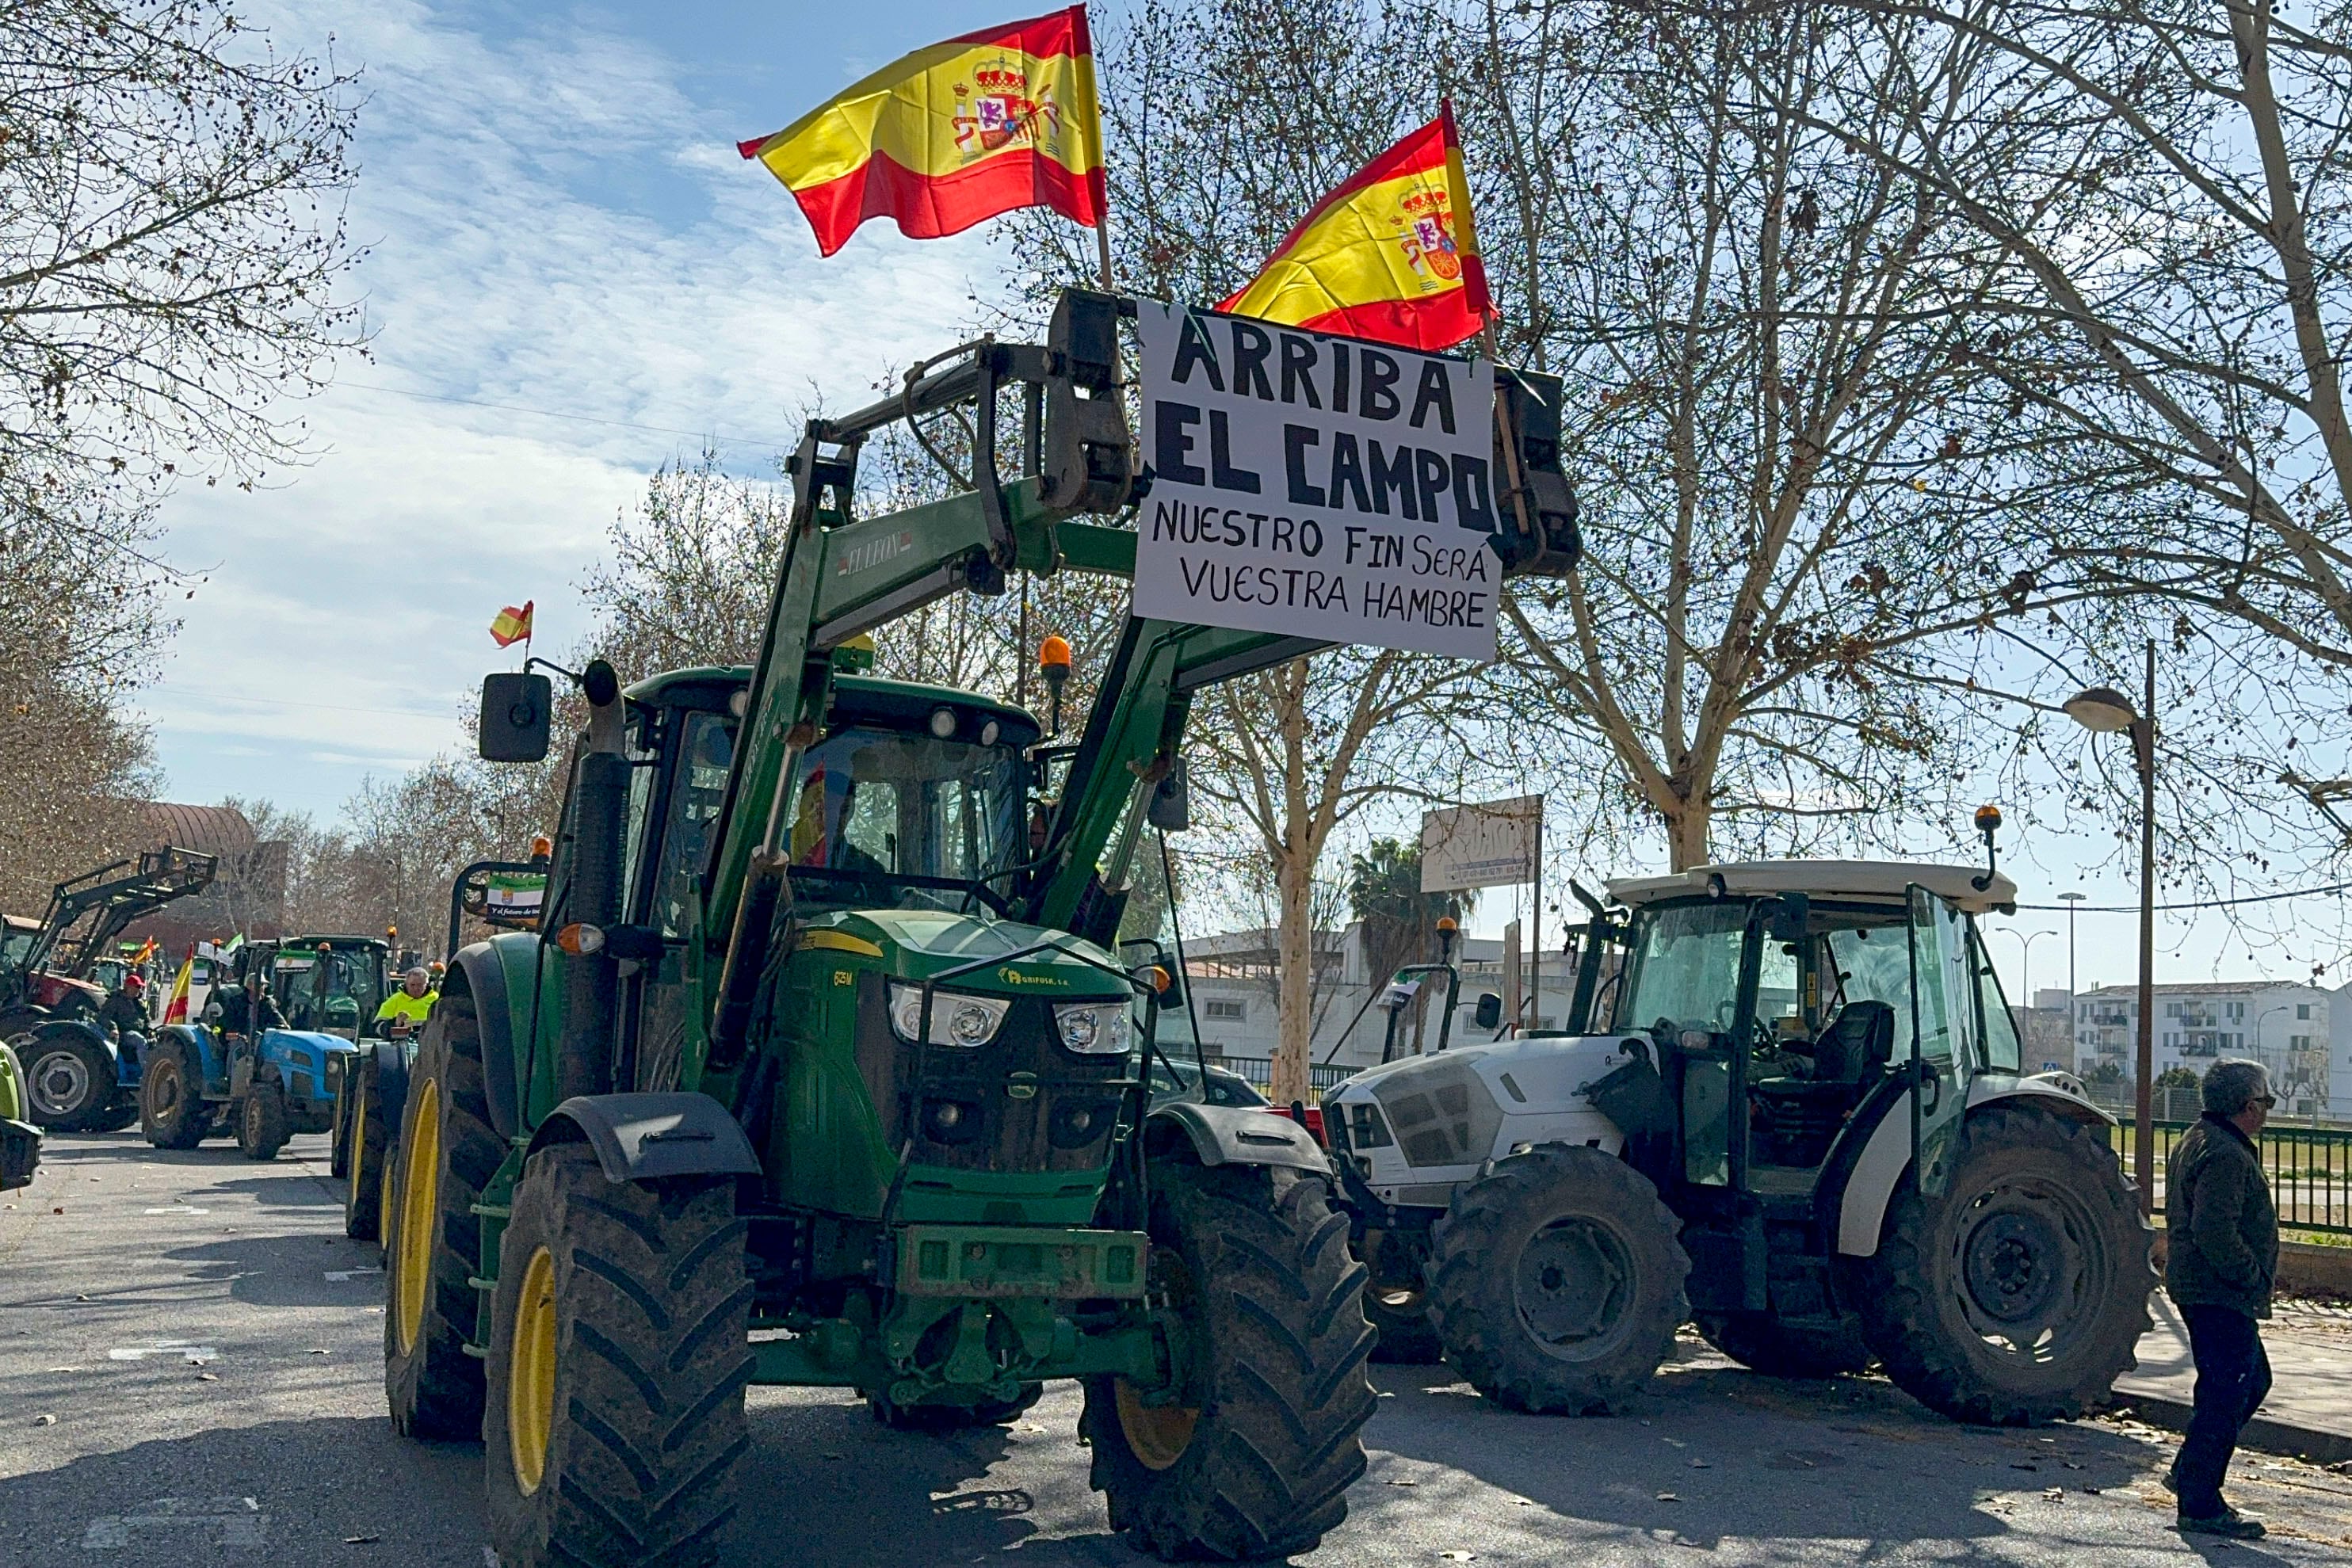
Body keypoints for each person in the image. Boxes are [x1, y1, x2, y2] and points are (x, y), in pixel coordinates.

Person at [2164, 1057, 2281, 1539]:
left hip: (2205, 1286)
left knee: (2252, 1381)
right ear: (2249, 1106)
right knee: (2227, 1391)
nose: (2269, 1110)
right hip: (2217, 1291)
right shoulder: (2226, 1154)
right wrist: (2251, 1277)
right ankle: (2200, 1502)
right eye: (2267, 1101)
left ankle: (2190, 1469)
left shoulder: (2201, 1138)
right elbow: (2213, 1230)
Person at [97, 973, 149, 1068]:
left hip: (139, 1032)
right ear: (129, 987)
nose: (139, 989)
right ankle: (146, 1071)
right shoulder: (115, 1000)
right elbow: (103, 1017)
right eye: (137, 986)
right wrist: (113, 1028)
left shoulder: (138, 1003)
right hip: (123, 1034)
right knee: (140, 1041)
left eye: (140, 987)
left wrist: (149, 1031)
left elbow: (145, 1020)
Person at [374, 967, 437, 1036]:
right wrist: (395, 1023)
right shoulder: (394, 1000)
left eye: (420, 985)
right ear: (406, 984)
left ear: (426, 984)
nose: (416, 988)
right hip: (402, 1044)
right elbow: (377, 1028)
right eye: (412, 985)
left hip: (430, 1044)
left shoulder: (436, 1000)